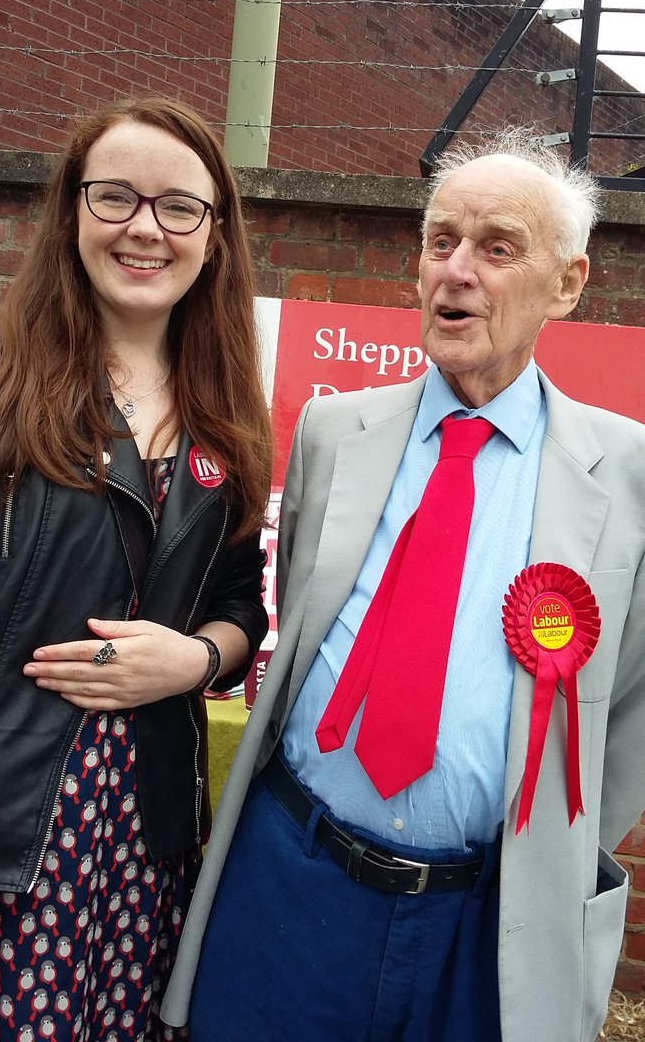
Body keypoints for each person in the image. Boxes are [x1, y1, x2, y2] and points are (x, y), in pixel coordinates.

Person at [161, 127, 645, 1042]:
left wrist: (548, 847)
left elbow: (628, 713)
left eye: (496, 248)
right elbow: (299, 627)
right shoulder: (331, 433)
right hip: (291, 882)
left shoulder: (626, 474)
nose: (456, 271)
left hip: (484, 920)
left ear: (567, 284)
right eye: (440, 241)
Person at [0, 95, 272, 1041]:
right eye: (115, 197)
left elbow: (241, 607)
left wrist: (196, 660)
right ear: (72, 212)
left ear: (213, 238)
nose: (146, 228)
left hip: (146, 843)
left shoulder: (229, 420)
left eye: (178, 206)